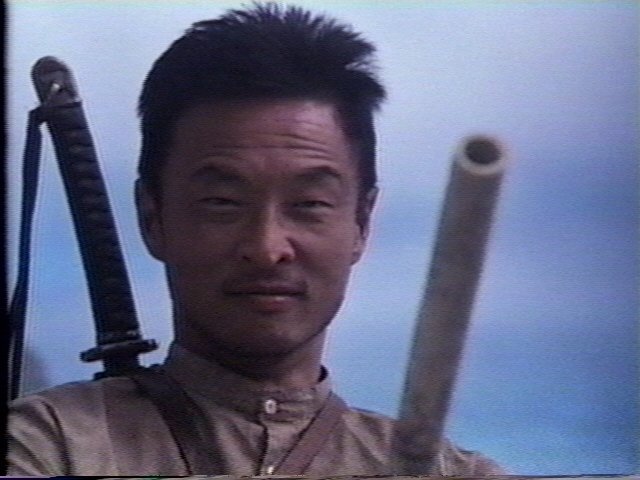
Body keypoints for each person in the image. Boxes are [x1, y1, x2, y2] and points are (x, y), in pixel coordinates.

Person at [7, 3, 504, 476]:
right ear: (152, 216)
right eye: (223, 202)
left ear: (361, 222)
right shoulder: (48, 446)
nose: (267, 249)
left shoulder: (456, 473)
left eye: (309, 204)